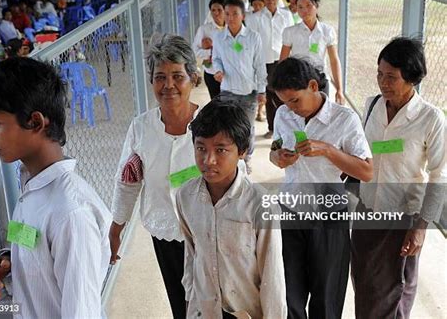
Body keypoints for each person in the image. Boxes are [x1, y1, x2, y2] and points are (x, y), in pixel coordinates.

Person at [0, 57, 111, 318]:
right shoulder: (31, 185)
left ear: (36, 123)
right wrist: (7, 262)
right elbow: (36, 243)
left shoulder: (71, 213)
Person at [270, 57, 373, 319]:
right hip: (291, 212)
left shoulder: (344, 119)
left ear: (314, 86)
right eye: (285, 102)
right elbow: (274, 149)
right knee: (288, 295)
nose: (291, 109)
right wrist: (278, 157)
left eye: (295, 100)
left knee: (326, 297)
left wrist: (327, 150)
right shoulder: (284, 114)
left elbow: (366, 171)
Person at [351, 37, 446, 319]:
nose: (383, 82)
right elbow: (366, 152)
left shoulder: (431, 119)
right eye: (380, 74)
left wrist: (420, 226)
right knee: (365, 285)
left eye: (391, 77)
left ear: (412, 78)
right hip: (367, 211)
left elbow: (440, 175)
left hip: (402, 218)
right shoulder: (372, 106)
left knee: (393, 290)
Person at [109, 34, 201, 319]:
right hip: (166, 231)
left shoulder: (211, 121)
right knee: (180, 302)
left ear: (194, 79)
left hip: (208, 229)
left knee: (214, 301)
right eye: (160, 77)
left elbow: (238, 175)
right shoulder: (141, 127)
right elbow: (128, 180)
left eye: (177, 76)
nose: (168, 85)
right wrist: (116, 227)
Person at [177, 98, 286, 318]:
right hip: (204, 311)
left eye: (221, 150)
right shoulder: (185, 196)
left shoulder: (259, 205)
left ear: (242, 151)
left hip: (246, 311)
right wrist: (191, 300)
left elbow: (272, 276)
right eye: (201, 148)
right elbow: (192, 254)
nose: (209, 160)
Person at [212, 0, 267, 173]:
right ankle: (232, 160)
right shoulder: (219, 37)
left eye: (234, 14)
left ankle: (246, 159)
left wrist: (262, 90)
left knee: (247, 128)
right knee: (227, 128)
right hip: (227, 91)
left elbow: (259, 66)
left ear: (243, 15)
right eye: (226, 13)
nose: (230, 17)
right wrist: (218, 70)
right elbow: (216, 59)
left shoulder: (253, 38)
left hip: (248, 93)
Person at [246, 0, 294, 139]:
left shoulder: (286, 16)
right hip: (264, 62)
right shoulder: (255, 18)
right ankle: (272, 128)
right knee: (269, 95)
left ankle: (285, 129)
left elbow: (290, 38)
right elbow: (252, 41)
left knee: (283, 94)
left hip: (282, 61)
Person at [280, 0, 344, 105]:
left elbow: (334, 60)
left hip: (320, 80)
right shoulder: (290, 32)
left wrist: (339, 89)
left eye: (308, 5)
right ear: (296, 10)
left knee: (321, 114)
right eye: (300, 7)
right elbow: (283, 61)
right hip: (298, 82)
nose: (305, 10)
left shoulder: (327, 31)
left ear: (316, 6)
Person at [192, 0, 226, 100]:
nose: (216, 13)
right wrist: (210, 52)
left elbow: (240, 48)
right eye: (213, 10)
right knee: (216, 104)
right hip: (212, 73)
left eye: (219, 10)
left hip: (231, 73)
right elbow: (195, 51)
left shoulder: (232, 27)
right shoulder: (204, 29)